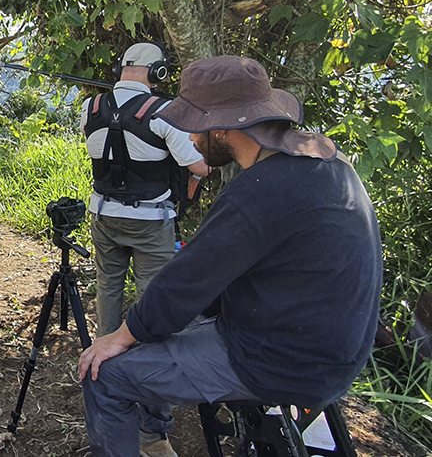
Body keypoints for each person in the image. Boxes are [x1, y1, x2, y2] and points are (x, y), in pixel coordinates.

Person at [77, 56, 382, 457]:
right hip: (335, 349)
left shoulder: (260, 190)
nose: (190, 137)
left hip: (279, 361)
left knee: (105, 376)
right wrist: (152, 325)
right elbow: (207, 279)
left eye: (194, 126)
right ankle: (152, 438)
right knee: (157, 326)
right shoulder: (326, 161)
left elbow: (187, 280)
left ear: (220, 128)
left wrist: (118, 337)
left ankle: (148, 437)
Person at [79, 42, 210, 336]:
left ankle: (105, 347)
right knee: (152, 293)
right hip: (150, 220)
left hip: (103, 213)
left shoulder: (91, 107)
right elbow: (200, 167)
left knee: (107, 286)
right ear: (158, 72)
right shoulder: (164, 111)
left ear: (120, 69)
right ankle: (149, 353)